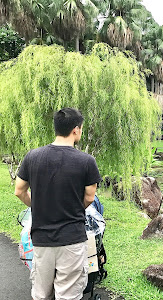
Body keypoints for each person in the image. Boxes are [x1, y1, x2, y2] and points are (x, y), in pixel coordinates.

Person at [14, 108, 102, 300]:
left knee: (41, 294)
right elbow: (89, 197)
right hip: (72, 239)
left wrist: (35, 205)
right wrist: (74, 209)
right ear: (76, 130)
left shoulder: (33, 157)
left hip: (41, 239)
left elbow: (19, 190)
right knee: (69, 295)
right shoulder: (87, 161)